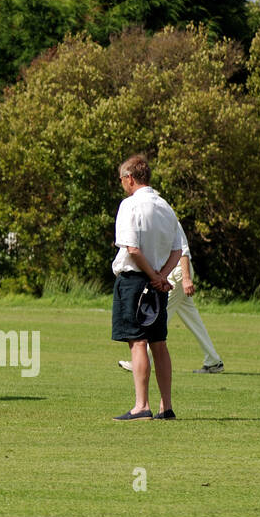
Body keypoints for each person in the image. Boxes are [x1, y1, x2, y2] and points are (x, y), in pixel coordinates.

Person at [111, 154, 183, 421]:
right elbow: (177, 249)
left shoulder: (130, 206)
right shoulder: (166, 207)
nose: (122, 184)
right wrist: (162, 277)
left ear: (129, 178)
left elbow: (132, 249)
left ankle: (141, 405)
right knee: (159, 342)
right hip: (157, 284)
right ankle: (167, 406)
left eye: (122, 179)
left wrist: (152, 274)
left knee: (138, 341)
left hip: (135, 280)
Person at [118, 220, 224, 375]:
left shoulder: (168, 217)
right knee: (193, 320)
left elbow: (184, 250)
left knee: (159, 315)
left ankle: (140, 361)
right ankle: (214, 361)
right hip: (172, 274)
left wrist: (186, 278)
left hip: (178, 274)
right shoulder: (151, 218)